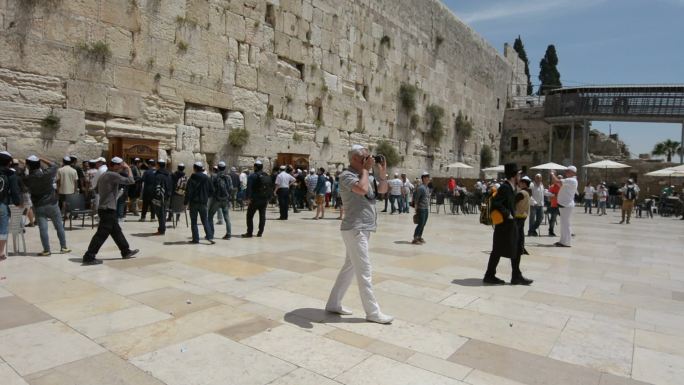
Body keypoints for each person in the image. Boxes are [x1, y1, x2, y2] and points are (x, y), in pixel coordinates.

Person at [326, 145, 393, 324]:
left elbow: (382, 191)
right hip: (355, 228)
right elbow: (362, 190)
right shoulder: (347, 176)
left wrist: (382, 172)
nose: (368, 158)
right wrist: (365, 170)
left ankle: (333, 303)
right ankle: (372, 312)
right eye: (365, 156)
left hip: (364, 227)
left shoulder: (366, 175)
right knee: (365, 271)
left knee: (350, 267)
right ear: (355, 159)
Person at [483, 163, 533, 285]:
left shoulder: (511, 187)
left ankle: (516, 276)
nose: (520, 176)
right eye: (518, 174)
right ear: (514, 175)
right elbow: (496, 204)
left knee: (515, 249)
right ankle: (490, 275)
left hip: (510, 225)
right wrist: (508, 214)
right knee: (497, 251)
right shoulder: (505, 187)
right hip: (504, 225)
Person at [82, 157, 139, 265]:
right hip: (107, 209)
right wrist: (128, 168)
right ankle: (89, 256)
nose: (122, 167)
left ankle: (125, 251)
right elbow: (131, 181)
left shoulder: (104, 175)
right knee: (101, 234)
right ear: (115, 165)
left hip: (106, 208)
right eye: (120, 165)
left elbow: (97, 189)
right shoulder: (112, 175)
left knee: (116, 231)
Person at [22, 155, 71, 256]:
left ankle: (46, 250)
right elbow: (54, 165)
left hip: (39, 206)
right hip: (52, 204)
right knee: (59, 227)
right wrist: (42, 158)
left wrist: (25, 167)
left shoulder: (28, 178)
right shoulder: (47, 174)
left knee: (43, 229)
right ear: (39, 164)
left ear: (28, 166)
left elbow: (23, 179)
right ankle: (64, 247)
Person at [0, 151, 23, 261]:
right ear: (9, 162)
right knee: (3, 228)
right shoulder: (11, 174)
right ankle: (0, 253)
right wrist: (17, 203)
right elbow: (15, 192)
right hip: (2, 204)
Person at [185, 162, 214, 244]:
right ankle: (209, 237)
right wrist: (205, 196)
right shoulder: (207, 178)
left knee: (194, 222)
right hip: (203, 203)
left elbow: (188, 192)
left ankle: (195, 239)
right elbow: (212, 191)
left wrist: (185, 202)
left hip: (193, 203)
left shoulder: (191, 178)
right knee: (205, 220)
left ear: (194, 168)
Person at [243, 160, 272, 237]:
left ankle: (249, 232)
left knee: (249, 216)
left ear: (255, 167)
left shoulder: (252, 176)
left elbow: (249, 188)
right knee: (262, 216)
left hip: (255, 200)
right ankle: (260, 232)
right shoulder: (266, 175)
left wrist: (247, 199)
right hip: (264, 199)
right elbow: (270, 187)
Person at [552, 165, 578, 247]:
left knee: (566, 224)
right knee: (564, 224)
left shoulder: (571, 180)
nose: (566, 172)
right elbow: (560, 185)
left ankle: (566, 242)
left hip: (566, 204)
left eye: (568, 171)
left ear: (573, 172)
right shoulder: (570, 180)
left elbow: (557, 182)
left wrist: (552, 174)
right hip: (564, 204)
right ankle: (563, 241)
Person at [208, 161, 233, 240]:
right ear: (225, 168)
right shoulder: (228, 177)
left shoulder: (214, 176)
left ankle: (211, 233)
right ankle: (229, 234)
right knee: (227, 217)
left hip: (216, 200)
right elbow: (231, 188)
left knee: (210, 216)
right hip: (225, 200)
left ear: (218, 167)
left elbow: (211, 187)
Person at [152, 160, 173, 235]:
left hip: (159, 198)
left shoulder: (158, 175)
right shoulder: (168, 175)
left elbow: (156, 187)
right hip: (167, 197)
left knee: (160, 213)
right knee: (163, 213)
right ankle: (162, 228)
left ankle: (161, 229)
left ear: (158, 165)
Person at [412, 172, 430, 245]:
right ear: (423, 179)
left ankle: (419, 236)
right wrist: (416, 208)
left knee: (423, 223)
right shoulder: (421, 188)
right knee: (420, 223)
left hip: (426, 208)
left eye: (428, 178)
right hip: (421, 208)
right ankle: (415, 238)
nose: (428, 179)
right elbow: (416, 199)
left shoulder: (427, 187)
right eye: (426, 178)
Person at [516, 176, 532, 257]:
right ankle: (521, 248)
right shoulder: (528, 191)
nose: (519, 184)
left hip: (519, 215)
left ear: (524, 184)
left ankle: (518, 249)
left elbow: (513, 201)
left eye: (521, 183)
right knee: (520, 233)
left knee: (517, 233)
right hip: (523, 214)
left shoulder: (522, 193)